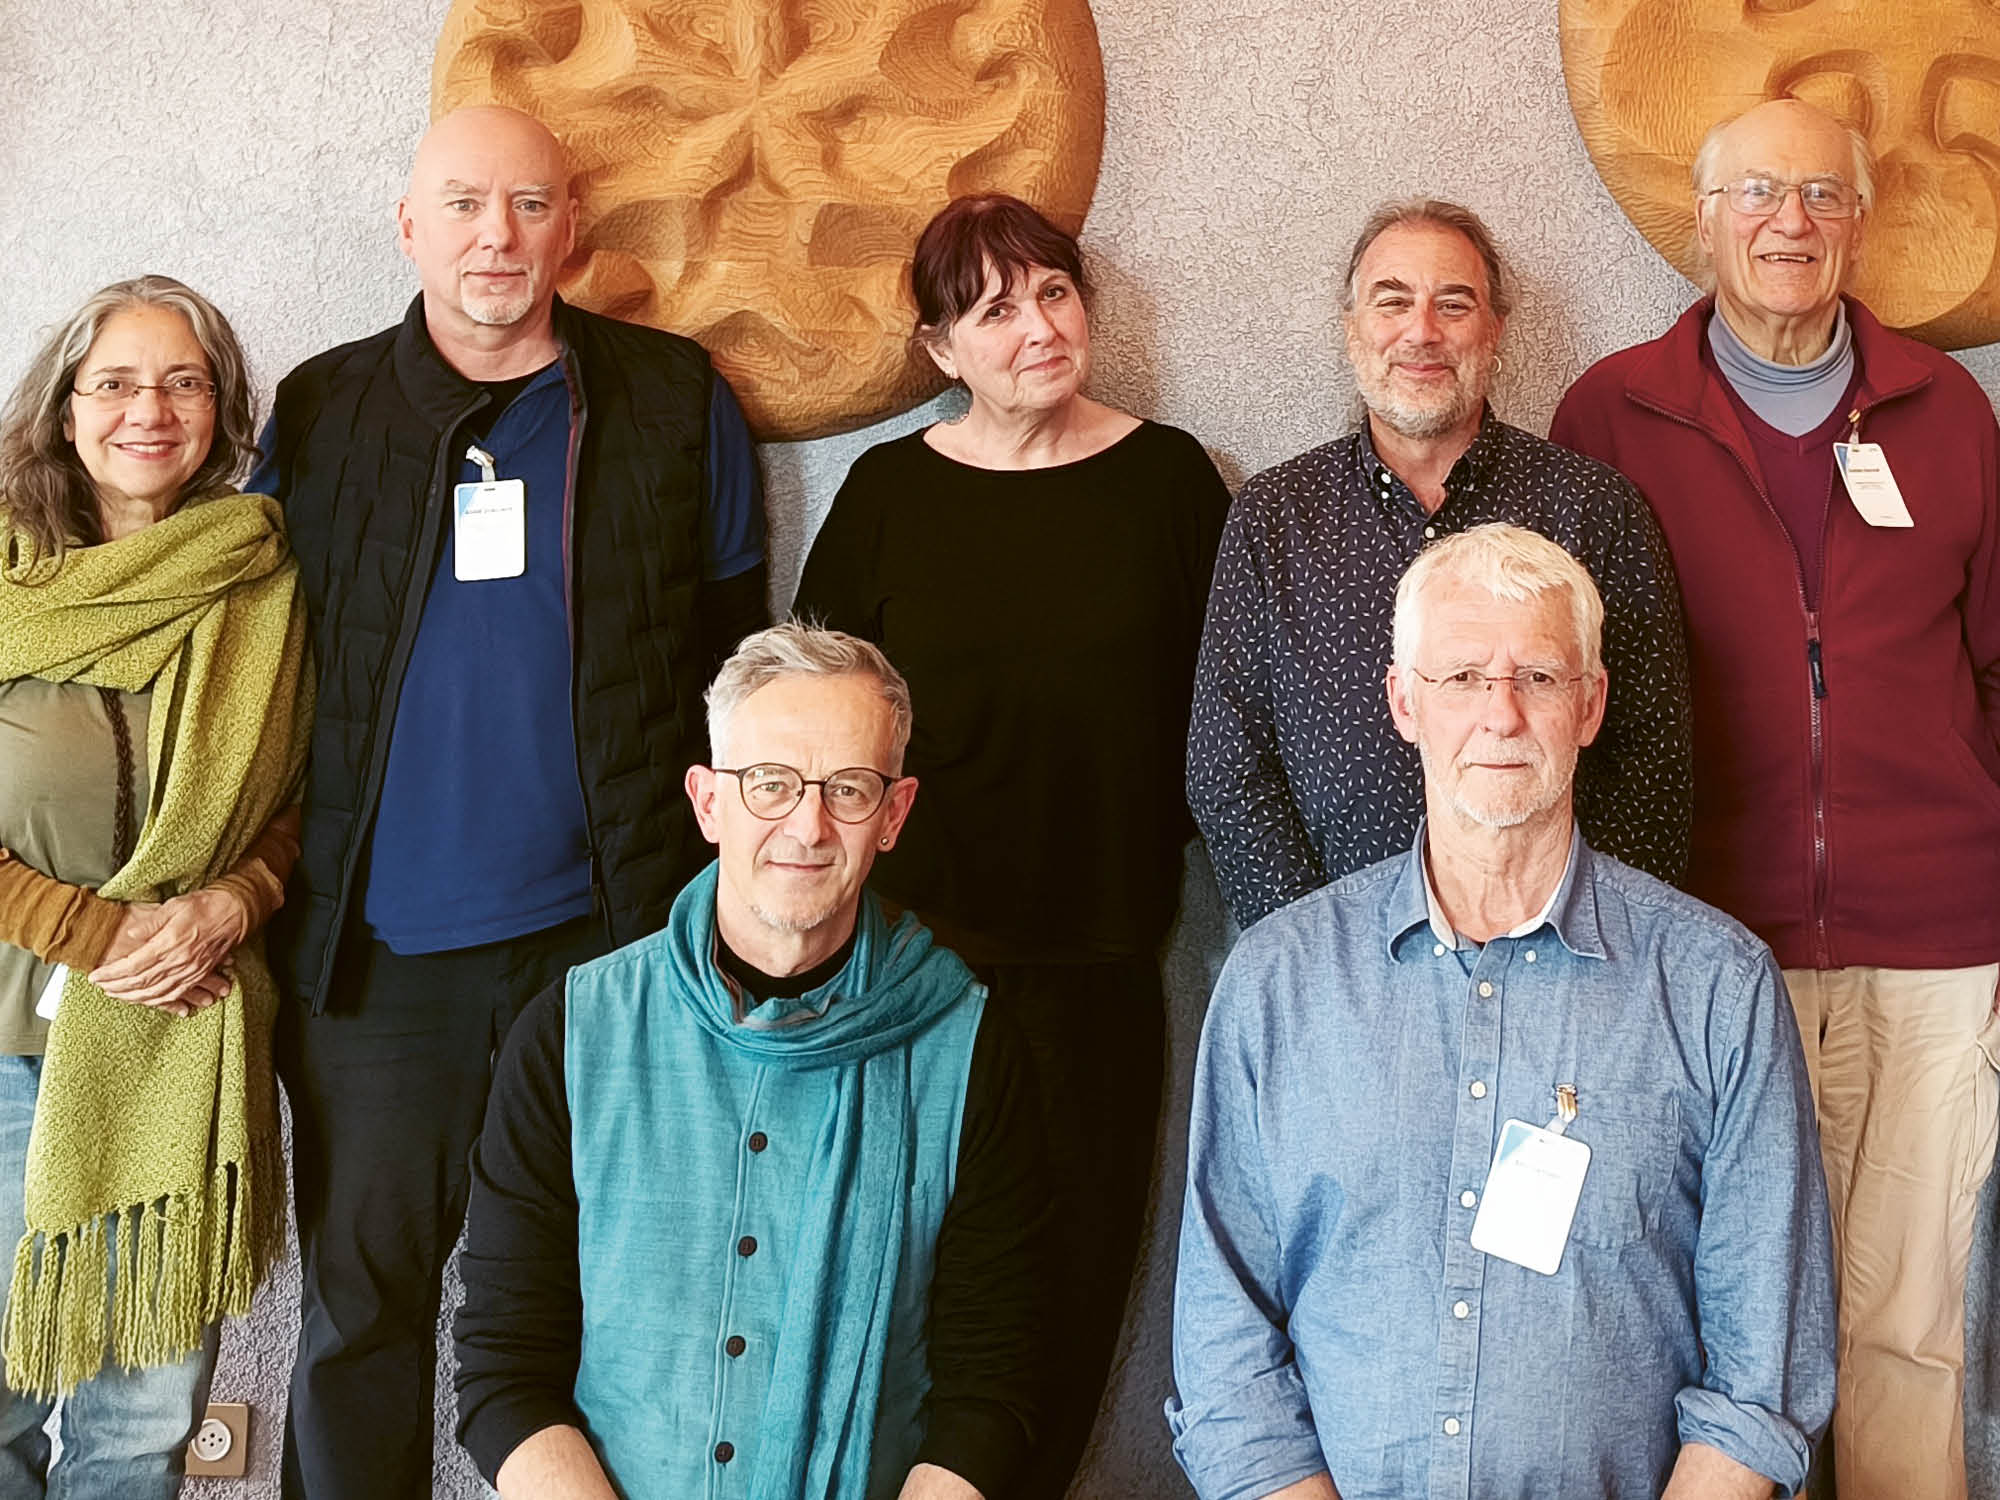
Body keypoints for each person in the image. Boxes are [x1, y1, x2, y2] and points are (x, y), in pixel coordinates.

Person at [251, 105, 768, 1497]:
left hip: (607, 949)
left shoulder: (671, 397)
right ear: (407, 226)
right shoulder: (322, 409)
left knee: (610, 1310)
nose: (498, 236)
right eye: (466, 204)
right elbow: (252, 663)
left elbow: (736, 659)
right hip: (376, 961)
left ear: (571, 228)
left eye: (531, 204)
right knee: (361, 1321)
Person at [1167, 523, 1835, 1500]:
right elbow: (1225, 1359)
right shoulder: (1275, 984)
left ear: (1590, 704)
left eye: (1539, 677)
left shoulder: (1715, 989)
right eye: (1462, 678)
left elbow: (1760, 1378)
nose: (1502, 715)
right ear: (1404, 702)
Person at [1550, 97, 2000, 1500]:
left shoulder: (1946, 407)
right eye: (1755, 193)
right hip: (1699, 940)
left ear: (1859, 222)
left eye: (1820, 195)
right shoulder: (1611, 412)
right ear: (1702, 220)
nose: (1788, 222)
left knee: (1907, 1318)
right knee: (1714, 1316)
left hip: (1933, 936)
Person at [792, 192, 1229, 1495]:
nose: (1039, 328)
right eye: (995, 310)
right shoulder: (887, 493)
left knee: (1064, 1302)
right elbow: (808, 715)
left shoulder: (1168, 482)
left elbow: (1230, 713)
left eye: (1054, 293)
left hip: (1097, 968)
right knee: (899, 1303)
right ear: (940, 349)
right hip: (902, 977)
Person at [452, 622, 1050, 1500]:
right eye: (770, 783)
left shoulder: (971, 1048)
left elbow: (994, 1384)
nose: (807, 826)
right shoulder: (569, 1034)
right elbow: (503, 1368)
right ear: (708, 803)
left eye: (848, 789)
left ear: (893, 815)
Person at [0, 275, 312, 1497]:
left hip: (186, 1033)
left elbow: (300, 797)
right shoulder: (7, 572)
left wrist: (237, 901)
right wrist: (92, 932)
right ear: (64, 407)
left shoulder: (259, 581)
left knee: (143, 1423)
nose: (150, 411)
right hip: (10, 1051)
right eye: (117, 383)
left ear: (221, 408)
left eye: (184, 383)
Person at [1187, 197, 1691, 932]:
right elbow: (1228, 769)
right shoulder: (1275, 518)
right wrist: (1316, 951)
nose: (1421, 332)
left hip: (1562, 955)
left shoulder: (1593, 509)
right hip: (1341, 963)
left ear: (1495, 330)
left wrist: (1591, 940)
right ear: (1352, 328)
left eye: (1453, 304)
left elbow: (1652, 763)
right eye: (1392, 302)